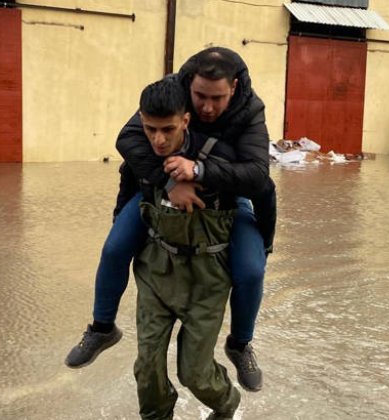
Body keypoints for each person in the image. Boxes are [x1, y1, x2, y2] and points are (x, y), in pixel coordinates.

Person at [66, 47, 276, 392]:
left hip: (228, 195)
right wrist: (169, 182)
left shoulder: (251, 110)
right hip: (158, 186)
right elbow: (129, 139)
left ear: (234, 88)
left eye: (217, 98)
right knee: (115, 248)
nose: (207, 107)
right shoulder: (170, 92)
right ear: (187, 86)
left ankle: (240, 345)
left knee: (252, 269)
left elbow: (258, 176)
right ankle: (102, 328)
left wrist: (200, 171)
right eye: (200, 97)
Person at [132, 78, 240, 420]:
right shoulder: (139, 154)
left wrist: (261, 246)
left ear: (185, 121)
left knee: (194, 373)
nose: (158, 140)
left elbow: (260, 186)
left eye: (167, 130)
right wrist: (167, 183)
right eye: (150, 129)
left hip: (207, 282)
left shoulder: (220, 155)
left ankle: (226, 404)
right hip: (157, 272)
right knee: (147, 368)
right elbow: (125, 197)